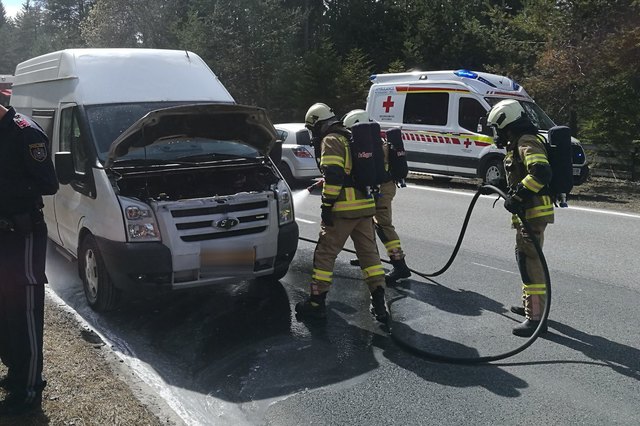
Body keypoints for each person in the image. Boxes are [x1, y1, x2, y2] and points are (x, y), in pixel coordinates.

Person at [295, 103, 389, 323]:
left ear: (318, 123)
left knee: (325, 254)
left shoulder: (331, 140)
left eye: (313, 128)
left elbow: (335, 175)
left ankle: (316, 302)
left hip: (343, 211)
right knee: (370, 256)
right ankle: (379, 302)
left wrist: (327, 206)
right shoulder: (350, 137)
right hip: (365, 208)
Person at [0, 105, 59, 415]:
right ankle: (17, 371)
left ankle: (29, 388)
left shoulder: (25, 132)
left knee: (22, 313)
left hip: (22, 234)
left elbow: (49, 184)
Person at [486, 99, 554, 337]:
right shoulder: (518, 144)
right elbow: (520, 174)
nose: (498, 134)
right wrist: (498, 185)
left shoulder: (526, 142)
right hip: (528, 212)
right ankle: (531, 306)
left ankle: (536, 319)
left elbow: (541, 171)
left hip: (533, 212)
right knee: (524, 258)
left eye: (498, 128)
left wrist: (518, 197)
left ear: (507, 123)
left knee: (529, 261)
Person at [342, 109, 411, 285]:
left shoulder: (375, 146)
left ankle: (399, 265)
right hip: (380, 187)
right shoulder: (377, 143)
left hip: (383, 188)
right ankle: (368, 255)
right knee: (367, 221)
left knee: (383, 225)